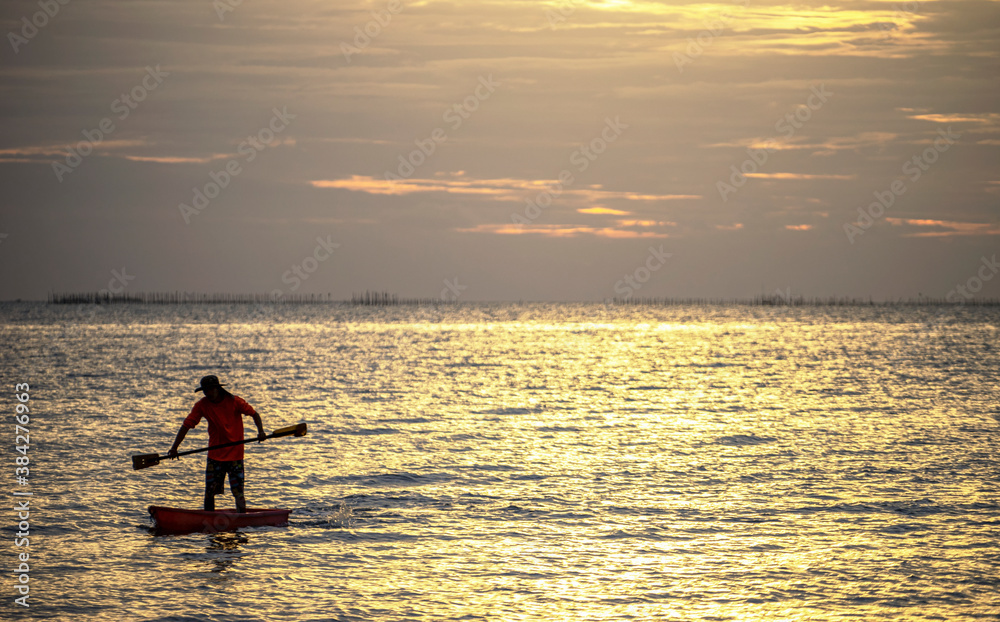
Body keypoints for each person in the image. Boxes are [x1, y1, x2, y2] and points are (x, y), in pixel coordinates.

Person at [167, 375, 266, 513]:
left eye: (209, 390)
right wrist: (174, 448)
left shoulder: (235, 401)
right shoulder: (202, 405)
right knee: (209, 492)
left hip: (235, 456)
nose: (207, 393)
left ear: (217, 389)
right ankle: (209, 517)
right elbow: (186, 425)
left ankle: (241, 519)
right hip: (215, 456)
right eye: (205, 391)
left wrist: (261, 431)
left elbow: (254, 414)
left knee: (238, 492)